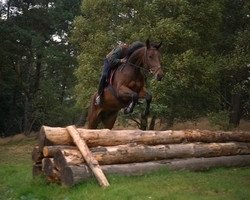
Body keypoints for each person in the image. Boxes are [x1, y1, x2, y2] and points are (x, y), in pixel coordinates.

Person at [95, 41, 144, 106]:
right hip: (109, 61)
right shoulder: (120, 49)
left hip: (119, 63)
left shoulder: (131, 53)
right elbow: (112, 60)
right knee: (104, 75)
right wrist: (120, 61)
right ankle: (99, 96)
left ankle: (134, 98)